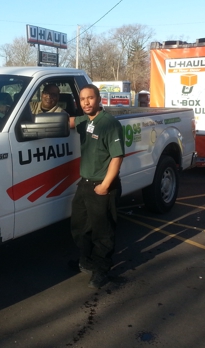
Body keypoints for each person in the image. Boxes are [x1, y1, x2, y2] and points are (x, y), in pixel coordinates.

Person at [69, 84, 125, 289]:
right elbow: (68, 122)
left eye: (90, 98)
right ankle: (86, 261)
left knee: (103, 231)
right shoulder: (85, 121)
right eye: (82, 99)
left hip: (103, 186)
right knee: (79, 226)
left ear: (99, 99)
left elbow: (117, 157)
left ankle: (102, 270)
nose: (86, 102)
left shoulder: (109, 124)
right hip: (84, 183)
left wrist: (105, 185)